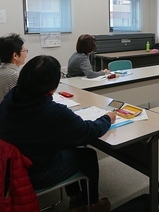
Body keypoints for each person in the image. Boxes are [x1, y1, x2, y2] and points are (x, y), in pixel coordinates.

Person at [0, 55, 117, 212]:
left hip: (10, 165)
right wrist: (107, 118)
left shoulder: (11, 98)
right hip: (35, 173)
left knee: (65, 145)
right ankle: (93, 203)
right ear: (52, 87)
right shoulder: (52, 112)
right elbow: (88, 132)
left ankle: (76, 199)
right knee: (87, 155)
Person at [0, 33, 27, 102]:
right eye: (24, 51)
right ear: (15, 55)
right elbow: (23, 99)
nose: (26, 54)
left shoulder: (3, 69)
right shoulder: (12, 75)